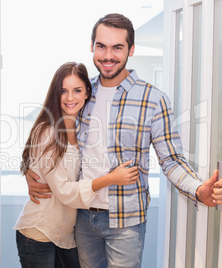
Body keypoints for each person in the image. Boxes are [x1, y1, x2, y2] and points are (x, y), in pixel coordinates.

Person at [26, 14, 222, 268]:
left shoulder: (153, 99)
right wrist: (30, 173)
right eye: (101, 46)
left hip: (127, 222)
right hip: (82, 219)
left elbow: (171, 159)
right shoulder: (81, 93)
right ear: (92, 47)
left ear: (131, 49)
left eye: (117, 47)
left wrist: (198, 190)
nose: (108, 55)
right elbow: (47, 133)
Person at [14, 62, 141, 268]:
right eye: (63, 91)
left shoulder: (82, 126)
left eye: (77, 90)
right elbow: (64, 190)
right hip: (39, 231)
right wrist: (111, 179)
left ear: (87, 93)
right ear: (55, 93)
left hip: (66, 233)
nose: (70, 97)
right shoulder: (47, 132)